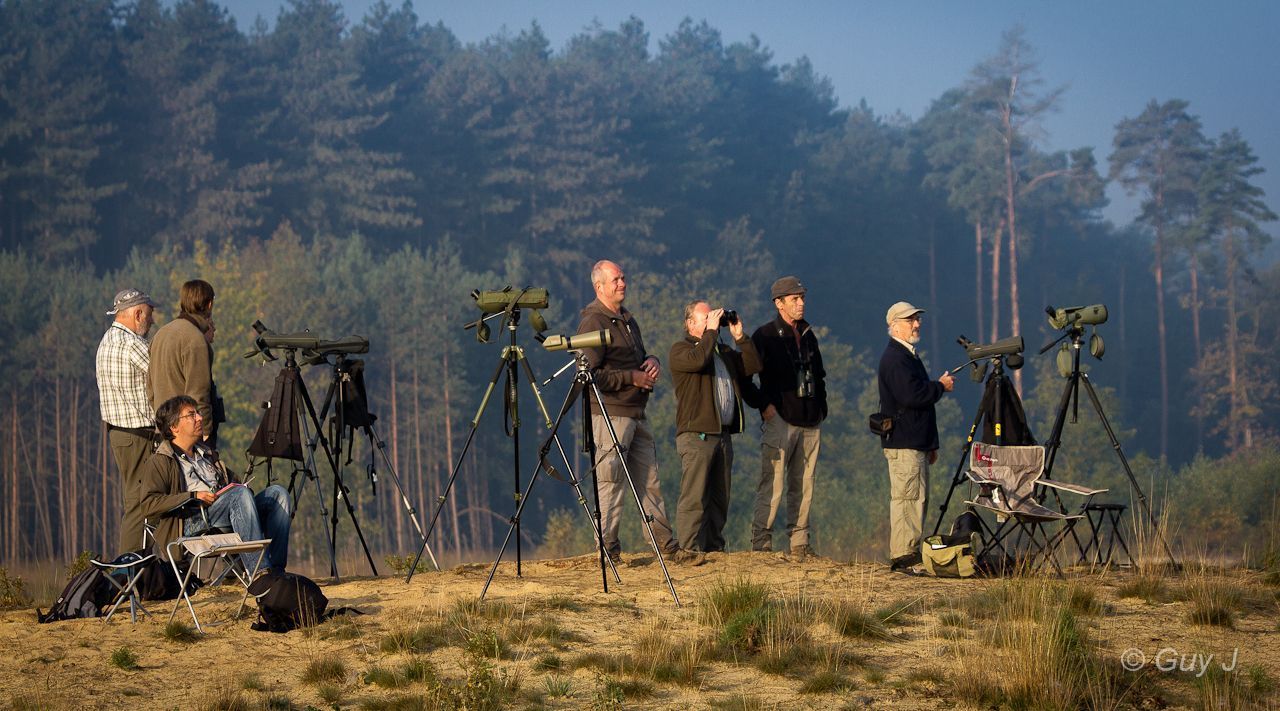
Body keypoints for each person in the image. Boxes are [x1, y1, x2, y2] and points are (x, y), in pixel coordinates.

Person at [576, 259, 678, 561]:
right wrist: (631, 377)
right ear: (599, 286)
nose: (623, 283)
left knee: (650, 481)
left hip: (636, 412)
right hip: (609, 415)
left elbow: (638, 356)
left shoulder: (627, 320)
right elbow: (589, 375)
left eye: (623, 278)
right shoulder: (592, 322)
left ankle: (666, 545)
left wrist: (653, 361)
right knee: (610, 482)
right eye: (616, 280)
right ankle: (607, 550)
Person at [138, 395, 291, 573]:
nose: (200, 418)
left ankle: (277, 571)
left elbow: (234, 487)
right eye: (191, 415)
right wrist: (193, 496)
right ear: (174, 427)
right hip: (191, 522)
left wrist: (241, 488)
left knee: (278, 494)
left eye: (198, 413)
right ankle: (260, 573)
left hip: (226, 511)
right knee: (238, 496)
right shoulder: (161, 461)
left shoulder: (207, 454)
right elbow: (148, 505)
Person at [669, 301, 761, 564]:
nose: (712, 321)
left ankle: (713, 546)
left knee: (720, 496)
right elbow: (699, 361)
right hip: (696, 434)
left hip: (722, 433)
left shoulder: (720, 351)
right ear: (690, 323)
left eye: (713, 317)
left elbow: (751, 367)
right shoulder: (681, 350)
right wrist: (711, 332)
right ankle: (688, 549)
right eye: (705, 317)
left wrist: (740, 337)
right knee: (695, 494)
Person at [747, 276, 826, 561]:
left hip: (810, 418)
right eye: (794, 299)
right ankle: (761, 541)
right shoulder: (764, 335)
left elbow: (819, 374)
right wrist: (763, 404)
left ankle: (800, 542)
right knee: (774, 483)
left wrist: (822, 408)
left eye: (802, 297)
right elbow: (745, 377)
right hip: (781, 418)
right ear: (779, 303)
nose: (801, 303)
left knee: (805, 483)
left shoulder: (808, 334)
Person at [877, 301, 954, 572]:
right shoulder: (895, 358)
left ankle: (908, 553)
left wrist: (930, 443)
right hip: (904, 442)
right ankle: (904, 556)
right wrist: (940, 386)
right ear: (895, 326)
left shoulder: (907, 355)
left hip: (915, 442)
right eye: (910, 320)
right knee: (907, 499)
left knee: (916, 498)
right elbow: (913, 396)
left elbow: (918, 396)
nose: (917, 324)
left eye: (917, 319)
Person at [95, 288, 159, 551]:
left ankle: (134, 568)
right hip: (138, 434)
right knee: (142, 502)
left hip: (119, 434)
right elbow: (162, 373)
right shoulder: (133, 344)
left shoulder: (106, 341)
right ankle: (129, 570)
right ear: (138, 313)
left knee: (136, 499)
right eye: (150, 315)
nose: (152, 321)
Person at [149, 279, 220, 448]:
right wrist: (206, 433)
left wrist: (164, 423)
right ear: (209, 304)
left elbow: (150, 390)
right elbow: (199, 393)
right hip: (187, 437)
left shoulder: (160, 334)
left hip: (164, 432)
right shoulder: (195, 339)